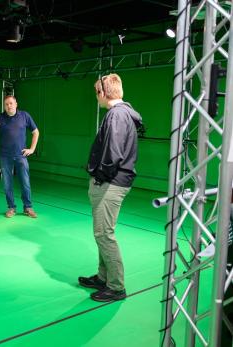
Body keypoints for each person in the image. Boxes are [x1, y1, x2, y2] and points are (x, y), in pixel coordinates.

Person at [78, 73, 143, 302]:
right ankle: (103, 277)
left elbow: (113, 154)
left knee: (104, 234)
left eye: (96, 93)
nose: (96, 97)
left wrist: (99, 175)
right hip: (114, 181)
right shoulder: (124, 113)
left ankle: (116, 287)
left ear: (103, 93)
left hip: (111, 182)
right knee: (101, 232)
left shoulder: (116, 115)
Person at [0, 95, 39, 218]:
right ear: (4, 106)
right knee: (7, 184)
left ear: (16, 104)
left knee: (25, 182)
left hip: (21, 156)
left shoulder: (25, 116)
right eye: (6, 104)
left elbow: (35, 132)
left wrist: (32, 149)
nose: (9, 106)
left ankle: (28, 207)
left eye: (11, 103)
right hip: (5, 157)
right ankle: (11, 208)